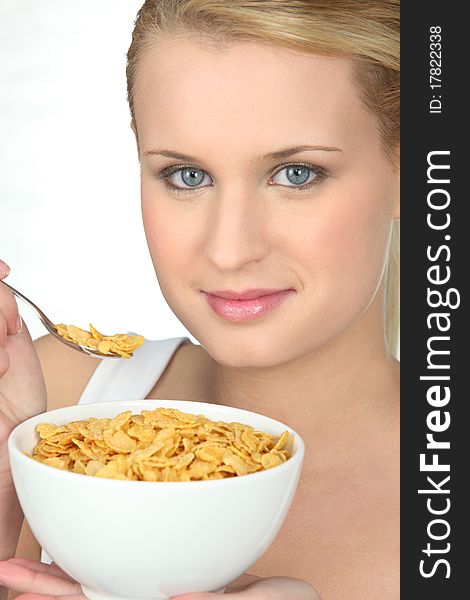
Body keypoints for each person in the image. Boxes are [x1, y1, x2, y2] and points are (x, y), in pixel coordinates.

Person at [0, 1, 400, 598]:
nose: (229, 250)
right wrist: (9, 507)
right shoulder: (48, 417)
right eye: (187, 176)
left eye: (295, 175)